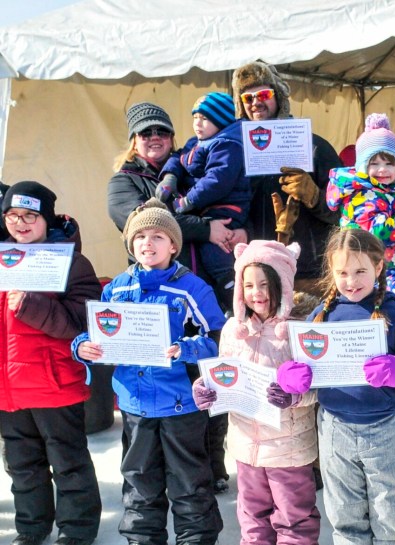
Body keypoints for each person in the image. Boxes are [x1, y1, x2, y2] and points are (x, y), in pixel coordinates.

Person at [73, 199, 225, 545]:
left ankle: (196, 536)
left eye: (158, 236)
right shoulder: (117, 289)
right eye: (140, 236)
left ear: (173, 244)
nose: (148, 243)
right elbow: (97, 335)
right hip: (135, 401)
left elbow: (219, 339)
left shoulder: (192, 287)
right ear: (130, 244)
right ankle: (144, 535)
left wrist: (186, 349)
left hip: (181, 402)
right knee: (139, 472)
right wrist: (83, 347)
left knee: (188, 474)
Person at [106, 101, 241, 494]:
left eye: (162, 131)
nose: (154, 139)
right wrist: (206, 227)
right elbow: (139, 220)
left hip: (199, 287)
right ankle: (158, 475)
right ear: (133, 140)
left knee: (206, 374)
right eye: (146, 133)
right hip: (151, 296)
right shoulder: (123, 181)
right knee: (161, 383)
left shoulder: (187, 165)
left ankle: (209, 463)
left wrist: (229, 230)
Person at [302, 228, 395, 545]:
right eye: (342, 274)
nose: (351, 282)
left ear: (378, 265)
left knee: (390, 509)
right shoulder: (321, 315)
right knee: (344, 509)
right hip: (335, 426)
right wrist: (294, 376)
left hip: (386, 426)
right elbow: (302, 363)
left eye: (359, 272)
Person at [191, 240, 320, 545]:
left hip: (288, 443)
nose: (257, 293)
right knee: (251, 505)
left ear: (283, 285)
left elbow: (316, 386)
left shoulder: (298, 331)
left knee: (293, 507)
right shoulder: (233, 329)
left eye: (266, 284)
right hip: (245, 441)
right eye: (249, 285)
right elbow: (222, 374)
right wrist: (206, 388)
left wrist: (294, 395)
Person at [0, 181, 102, 545]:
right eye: (13, 216)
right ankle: (32, 525)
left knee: (68, 460)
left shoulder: (70, 262)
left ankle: (77, 527)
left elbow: (84, 320)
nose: (21, 224)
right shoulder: (1, 258)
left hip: (53, 382)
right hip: (7, 387)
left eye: (30, 216)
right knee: (21, 464)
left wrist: (31, 305)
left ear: (46, 218)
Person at [231, 60, 341, 294]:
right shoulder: (234, 153)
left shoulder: (314, 147)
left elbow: (345, 214)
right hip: (259, 275)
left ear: (278, 97)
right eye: (247, 98)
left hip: (310, 275)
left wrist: (316, 197)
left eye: (263, 94)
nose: (256, 102)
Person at [326, 112, 395, 330]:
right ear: (363, 167)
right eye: (374, 162)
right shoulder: (362, 194)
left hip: (388, 267)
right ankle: (392, 347)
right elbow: (375, 228)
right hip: (366, 268)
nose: (382, 169)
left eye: (389, 163)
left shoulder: (388, 191)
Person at [156, 92, 250, 310]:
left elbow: (217, 181)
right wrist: (170, 176)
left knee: (215, 255)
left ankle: (233, 298)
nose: (197, 123)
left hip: (226, 209)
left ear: (221, 120)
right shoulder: (198, 142)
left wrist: (187, 201)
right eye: (195, 117)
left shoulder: (229, 145)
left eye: (204, 118)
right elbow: (178, 158)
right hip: (205, 210)